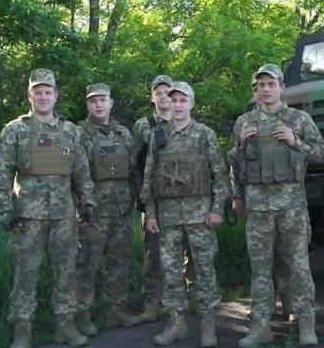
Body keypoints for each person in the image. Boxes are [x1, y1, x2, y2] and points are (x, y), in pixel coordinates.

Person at [0, 68, 96, 348]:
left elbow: (82, 172)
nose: (43, 96)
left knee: (66, 274)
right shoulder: (15, 130)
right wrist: (5, 210)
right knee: (25, 275)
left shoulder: (70, 131)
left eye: (48, 92)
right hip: (27, 219)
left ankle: (65, 326)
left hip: (64, 217)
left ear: (56, 95)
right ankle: (22, 332)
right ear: (29, 95)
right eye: (38, 92)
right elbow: (1, 174)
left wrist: (87, 203)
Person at [230, 63, 324, 347]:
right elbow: (233, 164)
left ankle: (307, 325)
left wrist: (296, 142)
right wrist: (240, 148)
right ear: (255, 91)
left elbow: (322, 154)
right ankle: (261, 326)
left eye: (270, 84)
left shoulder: (298, 119)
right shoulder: (244, 122)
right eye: (259, 86)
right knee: (260, 268)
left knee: (298, 266)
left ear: (281, 87)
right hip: (258, 208)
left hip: (291, 208)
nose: (265, 90)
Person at [141, 82, 231, 347]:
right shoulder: (158, 136)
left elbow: (221, 175)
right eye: (173, 100)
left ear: (191, 103)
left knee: (205, 271)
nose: (177, 105)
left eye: (183, 100)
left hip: (200, 215)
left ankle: (208, 327)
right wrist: (150, 213)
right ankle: (176, 325)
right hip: (167, 217)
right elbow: (148, 177)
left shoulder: (204, 134)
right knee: (170, 272)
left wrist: (217, 208)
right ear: (166, 103)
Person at [72, 83, 141, 335]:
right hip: (92, 213)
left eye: (103, 100)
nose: (98, 105)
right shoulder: (78, 134)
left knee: (119, 263)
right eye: (93, 101)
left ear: (111, 102)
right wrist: (79, 207)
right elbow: (74, 174)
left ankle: (117, 311)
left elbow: (133, 170)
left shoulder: (123, 133)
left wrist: (139, 199)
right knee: (86, 264)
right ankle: (82, 315)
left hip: (121, 211)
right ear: (87, 105)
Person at [132, 74, 175, 322]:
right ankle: (152, 303)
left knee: (189, 250)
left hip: (183, 198)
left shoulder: (186, 121)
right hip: (154, 198)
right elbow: (137, 161)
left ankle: (192, 298)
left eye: (167, 92)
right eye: (158, 93)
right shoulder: (144, 124)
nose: (163, 97)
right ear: (152, 97)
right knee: (154, 253)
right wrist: (143, 198)